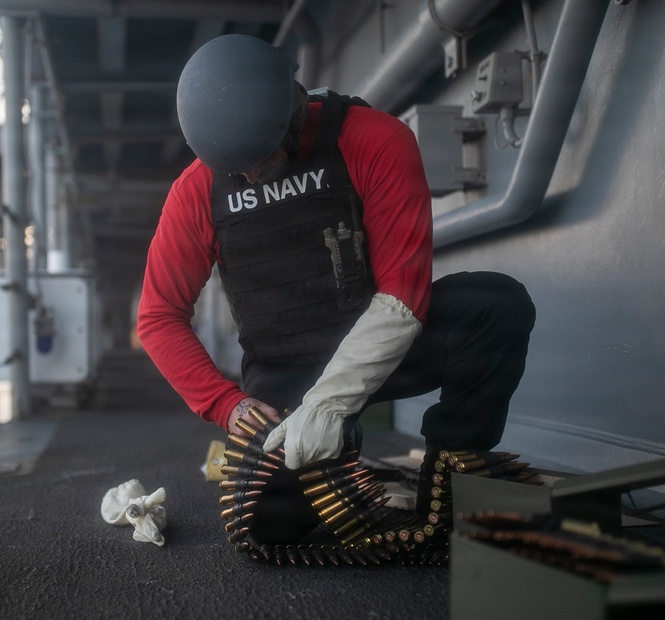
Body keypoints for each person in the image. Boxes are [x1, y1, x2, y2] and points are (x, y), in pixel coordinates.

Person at [137, 34, 535, 544]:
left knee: (495, 306)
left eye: (260, 160)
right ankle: (339, 453)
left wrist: (331, 403)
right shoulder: (195, 191)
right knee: (270, 529)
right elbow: (158, 316)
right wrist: (228, 405)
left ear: (294, 109)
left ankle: (453, 474)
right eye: (235, 169)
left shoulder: (375, 140)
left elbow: (404, 294)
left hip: (389, 346)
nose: (250, 177)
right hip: (286, 370)